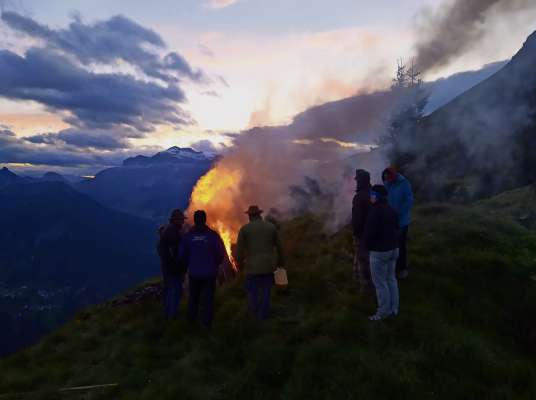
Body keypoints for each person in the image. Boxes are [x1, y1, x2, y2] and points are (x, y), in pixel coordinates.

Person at [179, 210, 226, 329]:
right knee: (208, 299)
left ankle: (191, 324)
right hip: (209, 273)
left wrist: (189, 265)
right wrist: (215, 264)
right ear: (205, 220)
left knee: (193, 298)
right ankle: (206, 324)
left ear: (194, 220)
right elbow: (221, 253)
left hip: (194, 273)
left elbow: (182, 255)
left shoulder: (188, 237)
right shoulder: (212, 236)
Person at [236, 205, 284, 320]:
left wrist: (239, 265)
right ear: (259, 214)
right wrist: (281, 262)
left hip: (252, 268)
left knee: (253, 293)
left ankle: (254, 316)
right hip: (268, 266)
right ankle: (264, 316)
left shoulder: (245, 229)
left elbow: (239, 252)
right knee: (266, 292)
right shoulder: (271, 227)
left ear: (250, 216)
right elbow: (280, 247)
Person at [363, 185, 400, 321]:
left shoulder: (375, 211)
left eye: (372, 194)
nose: (371, 196)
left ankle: (382, 312)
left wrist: (366, 246)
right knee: (391, 279)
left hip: (379, 252)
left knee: (380, 283)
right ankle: (394, 309)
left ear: (377, 196)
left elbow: (369, 232)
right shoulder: (391, 210)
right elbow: (397, 228)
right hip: (394, 249)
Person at [382, 167, 413, 279]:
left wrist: (398, 214)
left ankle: (402, 269)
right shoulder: (387, 183)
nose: (387, 180)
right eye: (385, 178)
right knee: (391, 246)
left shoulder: (404, 184)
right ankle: (392, 269)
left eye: (388, 177)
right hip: (389, 221)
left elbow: (409, 201)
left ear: (393, 175)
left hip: (401, 221)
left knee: (400, 245)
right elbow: (384, 198)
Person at [157, 209, 186, 319]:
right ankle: (172, 317)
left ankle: (168, 314)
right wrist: (179, 266)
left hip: (167, 267)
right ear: (176, 220)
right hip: (172, 268)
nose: (183, 222)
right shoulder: (173, 232)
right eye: (181, 220)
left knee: (169, 289)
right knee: (174, 291)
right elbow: (175, 252)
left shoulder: (169, 230)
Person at [352, 169, 373, 292]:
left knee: (363, 258)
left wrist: (356, 233)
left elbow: (357, 218)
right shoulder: (373, 193)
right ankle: (357, 276)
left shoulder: (359, 197)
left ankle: (366, 285)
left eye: (357, 180)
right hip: (372, 231)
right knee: (366, 257)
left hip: (362, 233)